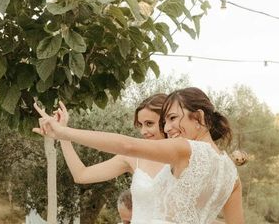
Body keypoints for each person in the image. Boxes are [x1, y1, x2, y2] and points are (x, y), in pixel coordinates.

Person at [34, 87, 244, 224]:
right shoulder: (231, 174)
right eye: (166, 121)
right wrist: (63, 137)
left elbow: (126, 145)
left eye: (171, 118)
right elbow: (82, 175)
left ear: (198, 117)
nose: (168, 127)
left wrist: (63, 132)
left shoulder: (184, 150)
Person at [56, 94, 171, 223]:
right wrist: (62, 133)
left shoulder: (187, 153)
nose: (143, 131)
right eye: (140, 125)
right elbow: (81, 175)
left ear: (166, 121)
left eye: (149, 124)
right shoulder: (133, 157)